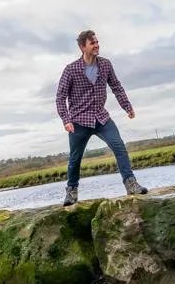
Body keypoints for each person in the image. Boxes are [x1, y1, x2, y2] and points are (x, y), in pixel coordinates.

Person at [55, 30, 148, 206]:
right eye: (92, 43)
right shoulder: (70, 69)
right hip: (78, 121)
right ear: (83, 47)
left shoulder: (105, 64)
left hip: (101, 117)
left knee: (119, 146)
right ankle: (71, 192)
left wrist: (127, 106)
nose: (97, 45)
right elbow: (60, 97)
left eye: (97, 42)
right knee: (75, 159)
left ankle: (131, 184)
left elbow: (116, 87)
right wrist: (66, 120)